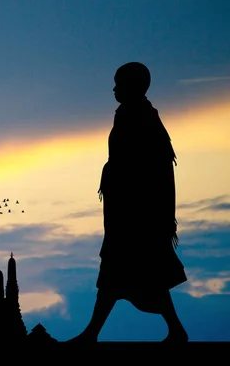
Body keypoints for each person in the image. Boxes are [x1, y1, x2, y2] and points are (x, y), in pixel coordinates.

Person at [68, 62, 188, 343]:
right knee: (130, 276)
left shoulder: (140, 116)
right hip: (127, 214)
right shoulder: (131, 114)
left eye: (118, 83)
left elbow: (151, 169)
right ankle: (95, 333)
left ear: (132, 86)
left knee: (123, 274)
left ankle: (92, 334)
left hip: (136, 217)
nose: (114, 89)